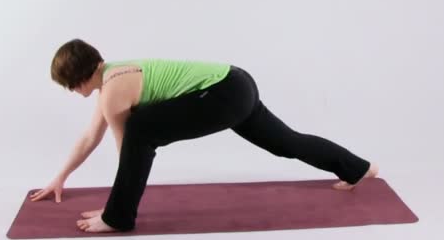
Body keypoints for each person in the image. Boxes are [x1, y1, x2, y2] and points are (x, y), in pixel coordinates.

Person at [29, 38, 379, 233]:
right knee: (286, 143)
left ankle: (119, 218)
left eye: (68, 85)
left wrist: (112, 208)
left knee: (140, 128)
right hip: (236, 83)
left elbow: (128, 149)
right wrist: (61, 177)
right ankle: (358, 168)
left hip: (224, 93)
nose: (70, 91)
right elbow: (92, 135)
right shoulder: (112, 77)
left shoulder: (112, 91)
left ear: (77, 79)